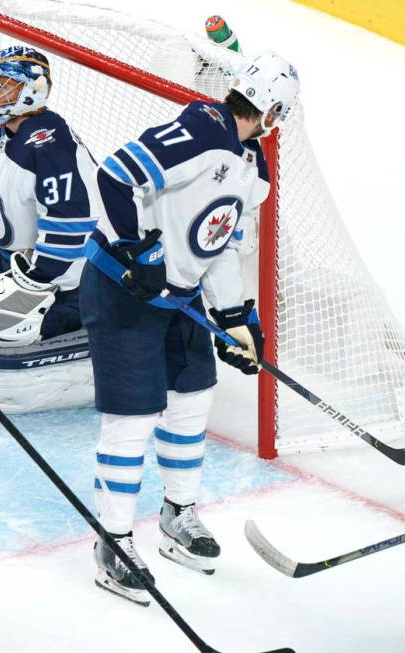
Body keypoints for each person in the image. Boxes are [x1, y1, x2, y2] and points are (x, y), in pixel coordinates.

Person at [81, 52, 300, 600]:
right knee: (132, 419)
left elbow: (220, 243)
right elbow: (113, 175)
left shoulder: (253, 167)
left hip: (179, 299)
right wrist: (139, 251)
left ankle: (177, 516)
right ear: (273, 109)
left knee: (192, 398)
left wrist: (234, 317)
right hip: (123, 292)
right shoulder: (203, 128)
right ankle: (112, 542)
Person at [0, 46, 100, 348]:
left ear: (31, 92)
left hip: (66, 281)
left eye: (1, 85)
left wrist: (26, 288)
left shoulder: (50, 145)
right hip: (9, 261)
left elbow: (72, 227)